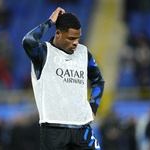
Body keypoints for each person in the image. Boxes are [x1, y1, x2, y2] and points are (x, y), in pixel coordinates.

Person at [22, 7, 105, 150]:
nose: (75, 43)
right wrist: (50, 22)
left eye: (78, 38)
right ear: (58, 33)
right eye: (71, 38)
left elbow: (98, 81)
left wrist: (93, 108)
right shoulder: (43, 53)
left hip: (82, 129)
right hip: (54, 129)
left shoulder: (84, 53)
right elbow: (28, 41)